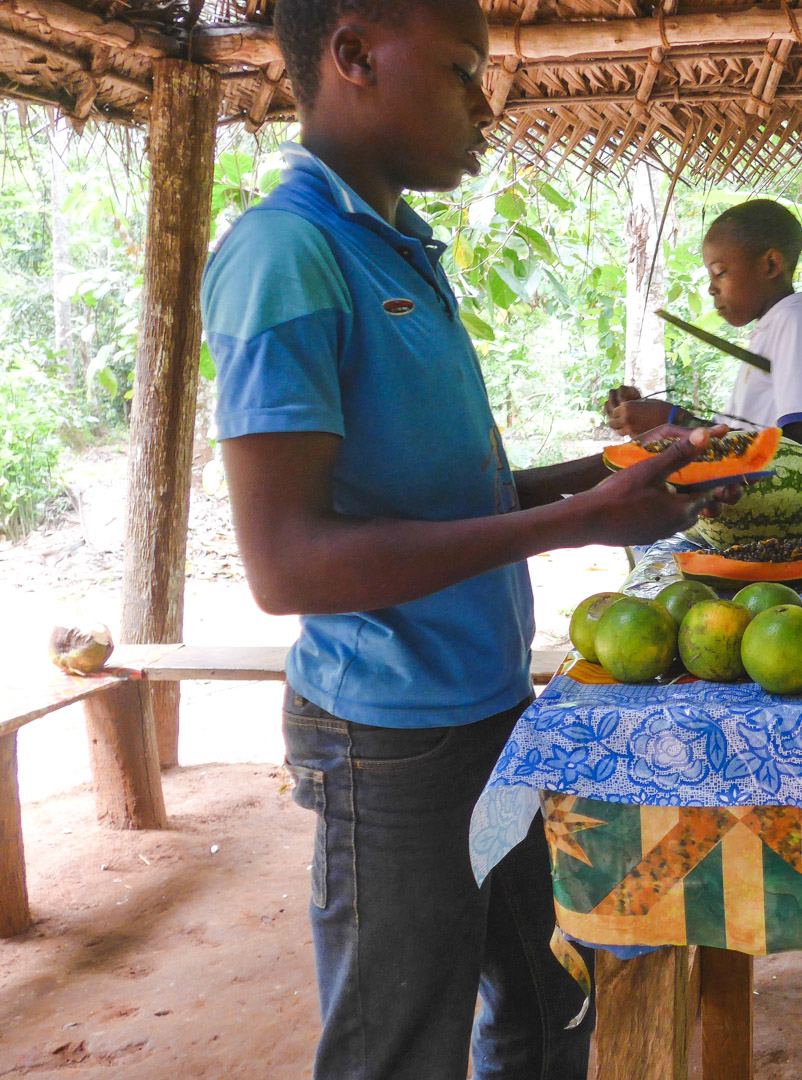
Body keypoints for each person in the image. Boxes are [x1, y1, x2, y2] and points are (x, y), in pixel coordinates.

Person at [200, 2, 737, 1077]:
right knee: (402, 1040)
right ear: (353, 54)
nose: (486, 105)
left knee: (551, 1000)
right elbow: (288, 564)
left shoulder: (396, 248)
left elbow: (457, 497)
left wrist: (610, 473)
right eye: (460, 71)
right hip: (391, 740)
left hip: (489, 714)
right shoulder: (287, 253)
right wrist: (585, 521)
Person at [604, 198, 802, 474]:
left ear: (770, 265)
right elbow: (736, 438)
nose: (711, 289)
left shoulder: (797, 324)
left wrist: (675, 420)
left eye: (720, 273)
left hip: (800, 517)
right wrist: (655, 420)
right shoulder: (770, 332)